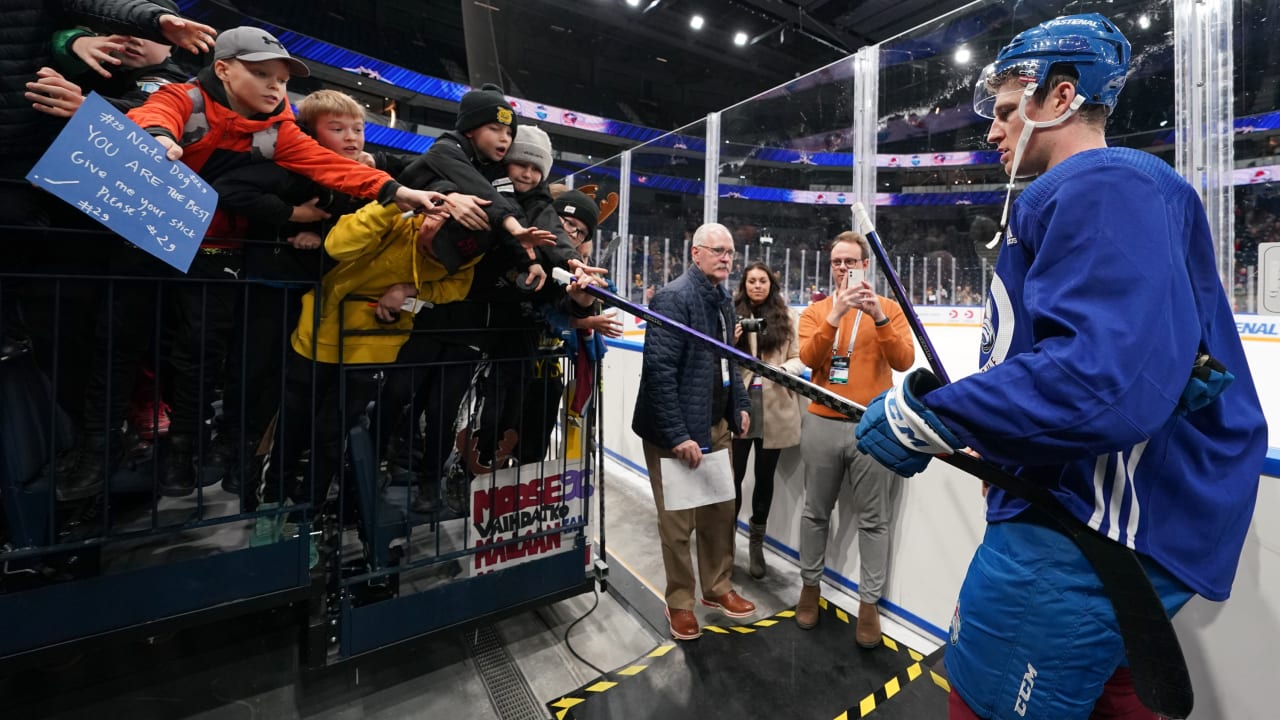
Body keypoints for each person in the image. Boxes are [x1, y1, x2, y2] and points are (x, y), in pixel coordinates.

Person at [853, 14, 1268, 720]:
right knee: (1113, 699)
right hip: (1081, 515)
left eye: (1010, 110)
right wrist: (999, 437)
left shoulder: (1107, 184)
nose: (992, 132)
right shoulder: (1091, 194)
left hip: (1086, 527)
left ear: (1062, 97)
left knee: (985, 701)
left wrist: (935, 414)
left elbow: (1100, 378)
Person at [122, 26, 446, 496]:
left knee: (225, 367)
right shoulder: (195, 104)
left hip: (285, 291)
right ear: (224, 69)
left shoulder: (287, 135)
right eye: (261, 74)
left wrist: (395, 193)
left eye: (280, 78)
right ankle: (173, 451)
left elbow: (337, 178)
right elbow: (162, 120)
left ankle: (226, 460)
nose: (275, 87)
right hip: (196, 257)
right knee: (171, 353)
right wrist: (294, 215)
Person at [631, 222, 755, 641]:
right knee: (678, 523)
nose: (726, 258)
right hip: (677, 431)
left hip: (714, 421)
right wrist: (678, 434)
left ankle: (717, 587)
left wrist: (739, 402)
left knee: (721, 511)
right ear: (695, 254)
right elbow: (659, 372)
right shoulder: (673, 298)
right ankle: (680, 601)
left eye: (730, 252)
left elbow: (728, 359)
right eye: (718, 251)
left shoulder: (722, 299)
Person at [794, 232, 915, 646]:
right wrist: (834, 317)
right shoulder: (816, 311)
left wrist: (878, 317)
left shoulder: (891, 309)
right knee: (815, 513)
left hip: (873, 426)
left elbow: (904, 361)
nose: (843, 268)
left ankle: (869, 605)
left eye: (851, 261)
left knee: (874, 521)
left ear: (866, 265)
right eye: (837, 262)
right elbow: (809, 359)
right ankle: (809, 587)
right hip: (822, 422)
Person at [730, 262, 803, 579]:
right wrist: (730, 341)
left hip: (775, 407)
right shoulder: (732, 313)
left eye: (762, 281)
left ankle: (756, 545)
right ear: (744, 285)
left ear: (770, 284)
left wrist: (785, 371)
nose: (757, 285)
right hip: (740, 406)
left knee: (764, 478)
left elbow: (800, 358)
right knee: (732, 479)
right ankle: (725, 543)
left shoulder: (787, 318)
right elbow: (719, 358)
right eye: (751, 281)